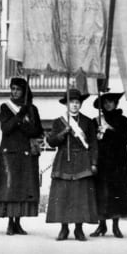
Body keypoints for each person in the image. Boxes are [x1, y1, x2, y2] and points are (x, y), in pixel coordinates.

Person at [45, 89, 99, 241]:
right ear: (67, 104)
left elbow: (93, 144)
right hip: (64, 160)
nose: (74, 105)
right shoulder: (58, 121)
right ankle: (64, 228)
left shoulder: (88, 122)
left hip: (82, 160)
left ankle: (79, 229)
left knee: (80, 196)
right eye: (72, 102)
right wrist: (63, 133)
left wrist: (94, 163)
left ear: (80, 104)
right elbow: (51, 142)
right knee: (63, 195)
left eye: (77, 102)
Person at [0, 77, 43, 235]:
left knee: (23, 188)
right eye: (13, 89)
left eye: (18, 89)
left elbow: (37, 131)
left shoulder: (32, 109)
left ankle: (18, 222)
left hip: (25, 153)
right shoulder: (5, 107)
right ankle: (10, 222)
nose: (14, 92)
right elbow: (6, 128)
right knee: (10, 188)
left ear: (24, 91)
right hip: (9, 153)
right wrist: (19, 117)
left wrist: (23, 121)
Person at [92, 90, 127, 238]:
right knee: (101, 192)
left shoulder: (123, 120)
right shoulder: (95, 121)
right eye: (106, 102)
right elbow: (93, 142)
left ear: (116, 103)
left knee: (117, 193)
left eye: (111, 102)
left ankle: (116, 226)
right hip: (102, 161)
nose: (108, 105)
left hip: (118, 162)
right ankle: (101, 225)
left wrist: (109, 130)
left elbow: (125, 139)